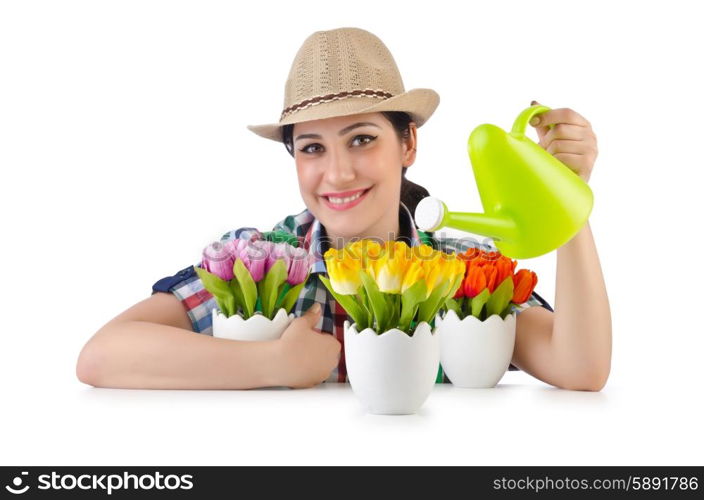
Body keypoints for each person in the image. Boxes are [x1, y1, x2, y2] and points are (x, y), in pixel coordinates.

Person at [76, 27, 611, 391]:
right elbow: (102, 356)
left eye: (360, 139)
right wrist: (272, 363)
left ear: (408, 146)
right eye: (312, 148)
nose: (337, 173)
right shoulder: (265, 264)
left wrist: (564, 203)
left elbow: (581, 368)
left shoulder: (465, 269)